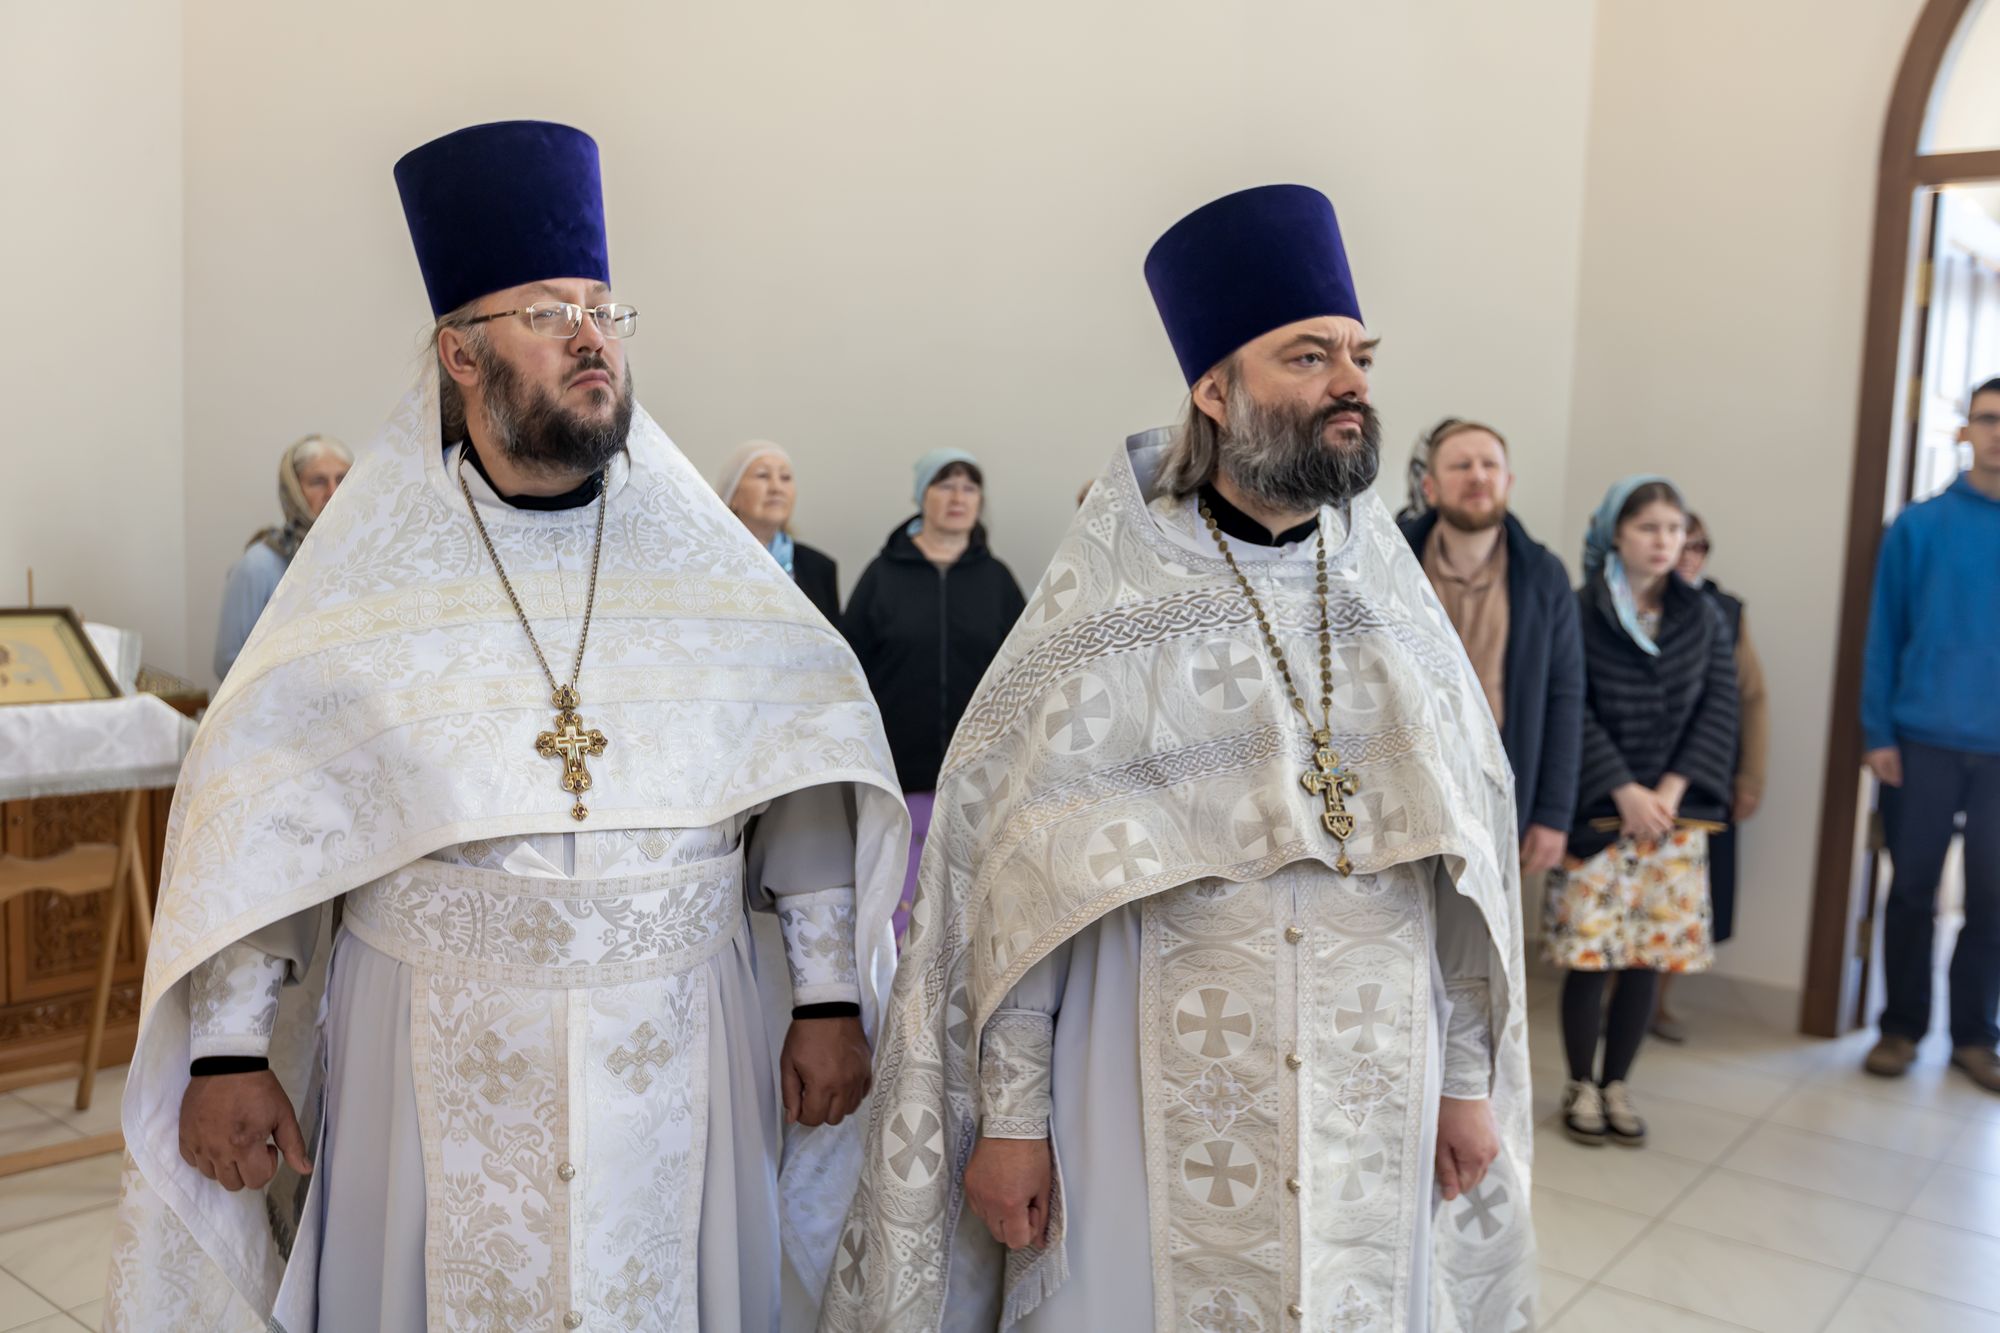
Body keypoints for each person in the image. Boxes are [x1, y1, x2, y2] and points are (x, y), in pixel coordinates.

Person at [107, 121, 909, 1332]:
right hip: (429, 1049)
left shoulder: (712, 576)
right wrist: (226, 1050)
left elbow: (800, 766)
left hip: (678, 1044)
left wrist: (828, 995)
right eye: (547, 313)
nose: (593, 336)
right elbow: (270, 809)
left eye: (604, 310)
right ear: (460, 353)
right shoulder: (359, 583)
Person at [823, 185, 1535, 1333]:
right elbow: (1020, 898)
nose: (1350, 382)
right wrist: (1012, 1119)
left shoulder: (1391, 605)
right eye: (1308, 356)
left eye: (1358, 356)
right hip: (1144, 1092)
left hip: (1372, 1090)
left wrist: (1464, 1082)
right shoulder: (1107, 605)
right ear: (1214, 388)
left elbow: (1458, 877)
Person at [1546, 477, 1737, 1148]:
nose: (1664, 541)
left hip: (1672, 820)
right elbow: (1571, 705)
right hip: (1600, 813)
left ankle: (1617, 1084)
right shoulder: (1579, 609)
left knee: (1644, 958)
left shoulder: (1704, 615)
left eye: (1674, 529)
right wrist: (1624, 789)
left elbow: (1720, 706)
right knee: (1590, 956)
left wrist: (1670, 793)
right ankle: (1579, 1083)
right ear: (1616, 535)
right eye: (1648, 528)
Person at [1861, 374, 2000, 1093]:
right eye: (1989, 418)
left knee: (1992, 899)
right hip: (1920, 741)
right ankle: (1900, 1026)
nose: (1999, 432)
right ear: (1966, 429)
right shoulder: (1917, 527)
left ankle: (1976, 1037)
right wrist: (1877, 731)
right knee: (1912, 889)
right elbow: (1882, 634)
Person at [842, 451, 1026, 936]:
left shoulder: (997, 579)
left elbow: (1024, 671)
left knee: (970, 915)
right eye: (945, 485)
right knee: (900, 913)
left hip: (979, 779)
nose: (958, 497)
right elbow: (850, 672)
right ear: (921, 497)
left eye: (969, 487)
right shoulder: (882, 575)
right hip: (899, 778)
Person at [1399, 418, 1584, 879]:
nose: (1478, 476)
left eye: (1489, 465)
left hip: (1501, 789)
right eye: (1461, 466)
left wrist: (1554, 814)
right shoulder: (1391, 564)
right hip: (1404, 788)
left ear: (1508, 482)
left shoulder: (1544, 576)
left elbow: (1565, 695)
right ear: (1430, 487)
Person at [1650, 510, 1769, 1042]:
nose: (1689, 556)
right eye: (1682, 543)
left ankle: (1657, 1003)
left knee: (1688, 896)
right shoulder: (1622, 602)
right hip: (1636, 777)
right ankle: (1611, 1000)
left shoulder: (1725, 611)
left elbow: (1751, 697)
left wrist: (1751, 777)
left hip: (1704, 776)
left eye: (1699, 546)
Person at [213, 434, 353, 678]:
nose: (333, 492)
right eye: (318, 481)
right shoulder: (258, 566)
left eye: (342, 479)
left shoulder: (359, 556)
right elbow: (228, 662)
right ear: (294, 491)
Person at [716, 438, 843, 623]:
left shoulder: (819, 568)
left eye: (785, 478)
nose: (777, 488)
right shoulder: (710, 561)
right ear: (732, 495)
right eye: (762, 475)